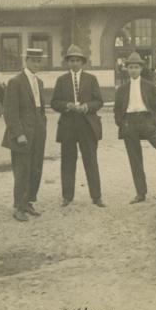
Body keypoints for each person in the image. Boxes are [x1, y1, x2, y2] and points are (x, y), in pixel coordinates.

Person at [114, 51, 156, 203]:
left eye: (136, 67)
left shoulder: (149, 87)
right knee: (135, 158)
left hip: (147, 122)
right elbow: (117, 111)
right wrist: (123, 123)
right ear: (127, 69)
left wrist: (154, 122)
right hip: (130, 123)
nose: (133, 70)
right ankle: (141, 193)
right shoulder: (122, 89)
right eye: (130, 67)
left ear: (141, 68)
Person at [51, 44, 105, 208]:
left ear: (83, 62)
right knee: (67, 161)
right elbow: (54, 102)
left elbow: (99, 102)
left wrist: (87, 107)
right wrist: (67, 105)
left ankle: (96, 197)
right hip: (68, 125)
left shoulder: (91, 79)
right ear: (67, 63)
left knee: (91, 160)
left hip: (87, 124)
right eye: (71, 60)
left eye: (77, 60)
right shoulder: (61, 80)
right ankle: (67, 196)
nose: (74, 63)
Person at [2, 48, 47, 222]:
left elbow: (41, 108)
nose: (37, 64)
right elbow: (10, 112)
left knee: (36, 168)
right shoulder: (15, 82)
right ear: (26, 61)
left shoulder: (40, 82)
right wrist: (18, 134)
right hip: (23, 134)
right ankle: (18, 207)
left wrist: (43, 125)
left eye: (39, 61)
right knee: (22, 170)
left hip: (38, 131)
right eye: (34, 61)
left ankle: (28, 201)